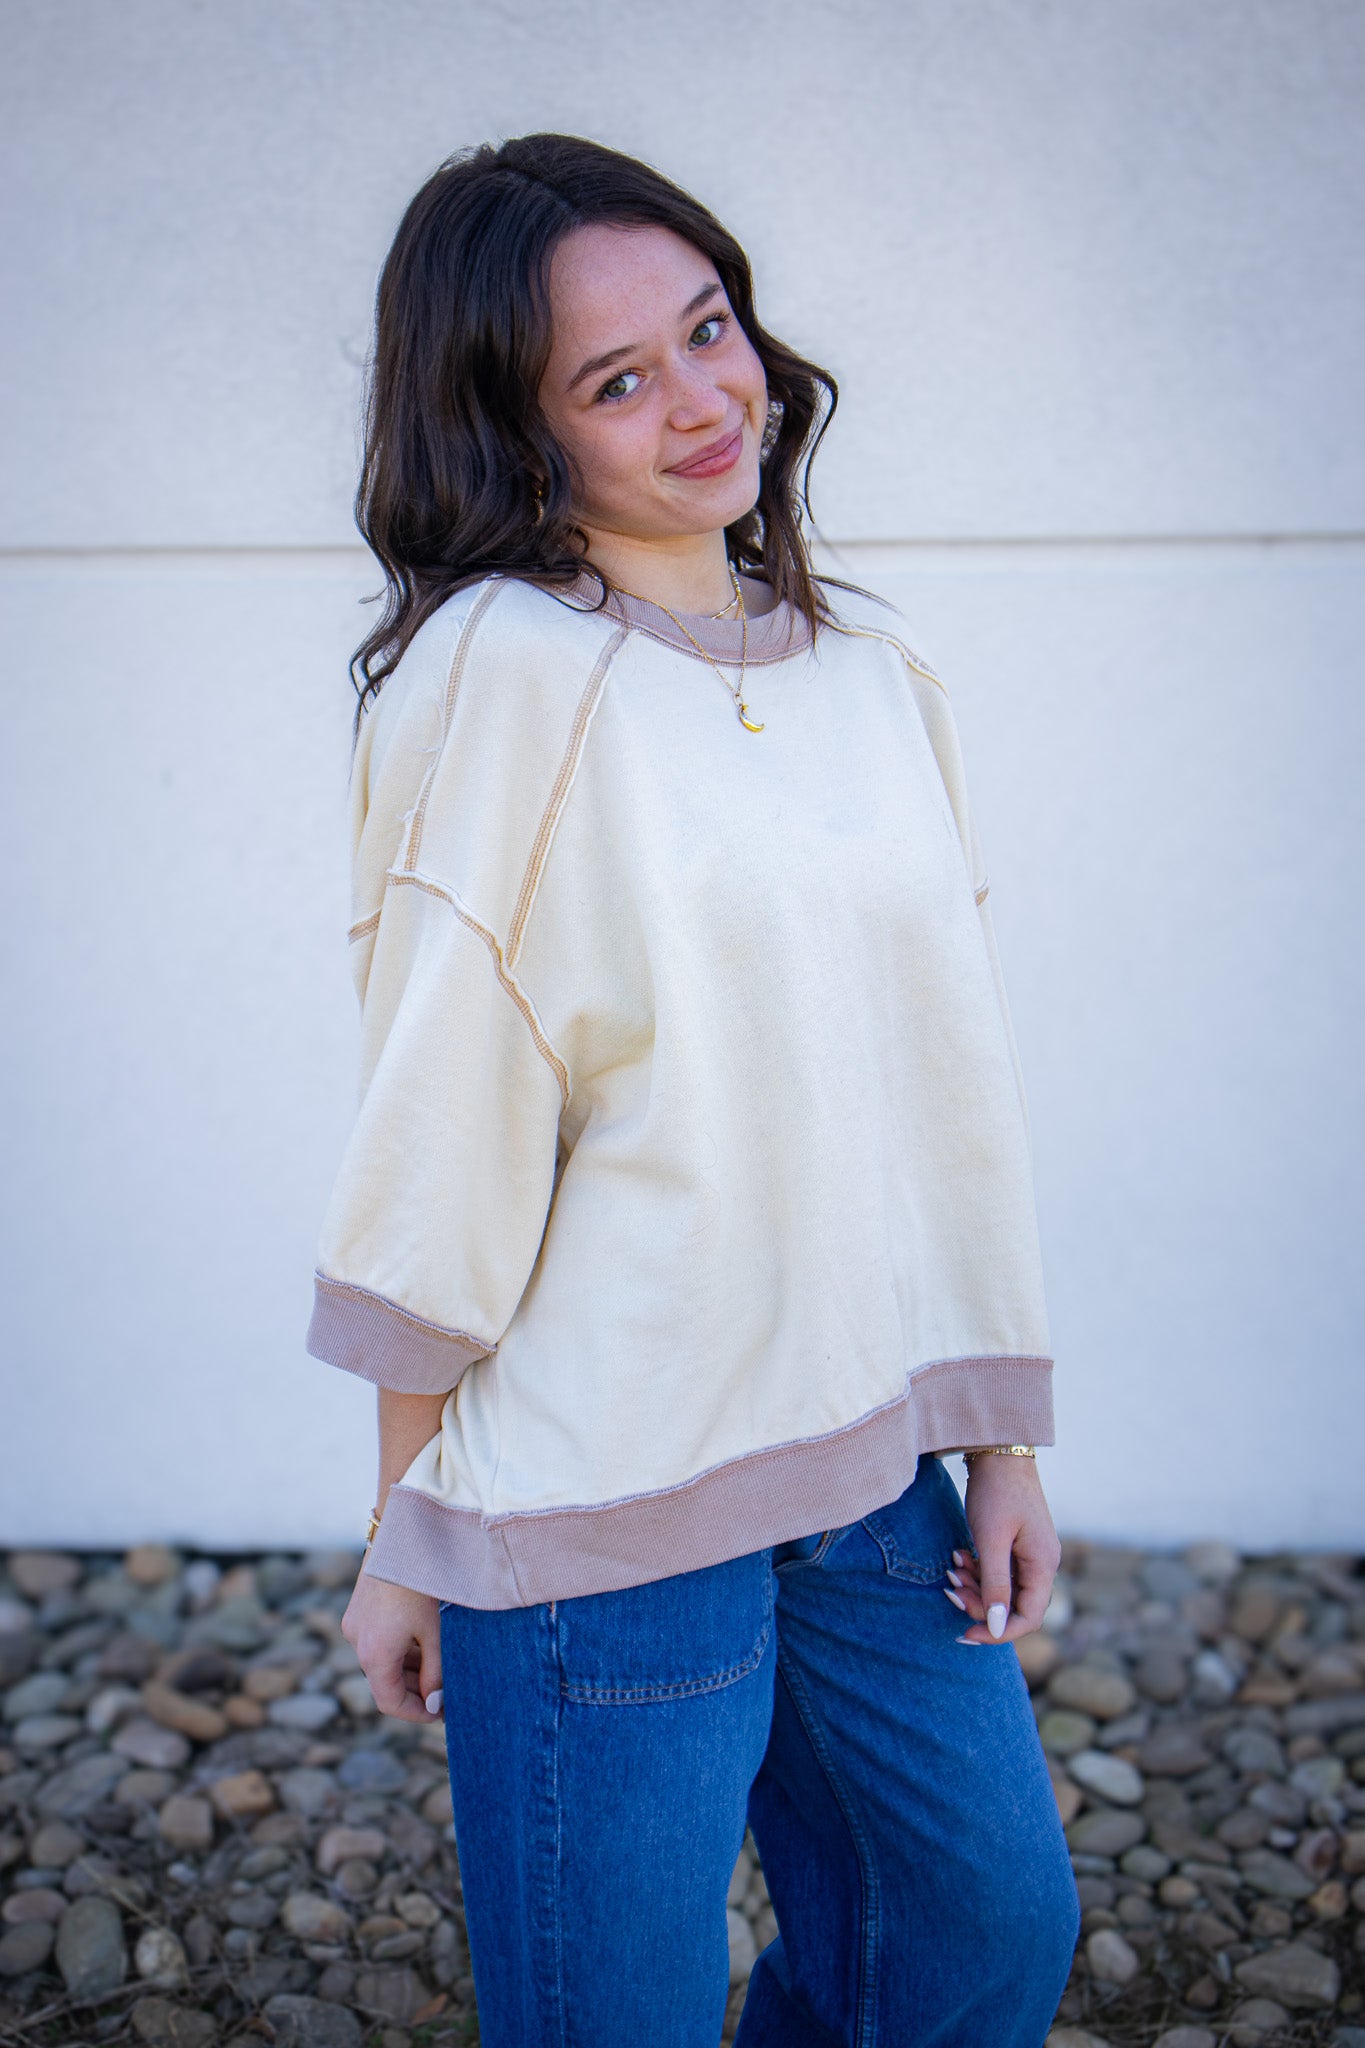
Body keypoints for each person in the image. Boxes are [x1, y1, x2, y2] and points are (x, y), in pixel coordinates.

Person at [307, 132, 1081, 2048]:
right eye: (615, 381)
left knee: (981, 1936)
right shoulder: (498, 674)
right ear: (519, 430)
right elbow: (442, 1129)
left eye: (706, 329)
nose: (700, 399)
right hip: (602, 1493)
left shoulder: (873, 669)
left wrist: (996, 1434)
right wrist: (407, 1523)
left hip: (873, 1467)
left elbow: (940, 1085)